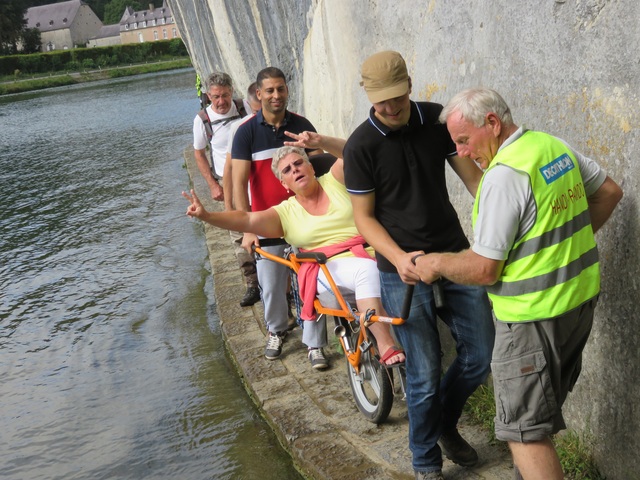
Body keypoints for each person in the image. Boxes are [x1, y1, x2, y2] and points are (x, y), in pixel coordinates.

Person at [414, 87, 623, 480]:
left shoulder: (504, 176)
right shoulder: (551, 146)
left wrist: (436, 263)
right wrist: (562, 248)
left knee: (525, 434)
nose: (461, 152)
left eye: (463, 140)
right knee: (536, 418)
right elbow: (608, 193)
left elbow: (484, 269)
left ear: (492, 124)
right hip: (576, 306)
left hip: (530, 320)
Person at [342, 51, 495, 480]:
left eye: (396, 96)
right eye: (380, 101)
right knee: (423, 376)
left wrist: (496, 230)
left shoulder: (436, 120)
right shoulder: (360, 146)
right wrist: (398, 259)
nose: (389, 107)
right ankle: (425, 462)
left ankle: (444, 424)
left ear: (410, 83)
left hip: (454, 255)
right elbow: (364, 219)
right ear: (367, 95)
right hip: (400, 273)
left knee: (480, 356)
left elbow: (473, 179)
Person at [183, 147, 405, 369]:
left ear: (310, 166)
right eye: (287, 170)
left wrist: (322, 140)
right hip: (326, 271)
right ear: (284, 184)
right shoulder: (285, 213)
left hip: (374, 256)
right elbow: (245, 219)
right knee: (366, 271)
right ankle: (386, 345)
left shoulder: (335, 181)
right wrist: (207, 216)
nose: (295, 170)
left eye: (299, 163)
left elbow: (355, 151)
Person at [231, 67, 323, 361]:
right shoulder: (246, 132)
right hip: (268, 221)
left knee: (313, 281)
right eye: (269, 90)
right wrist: (247, 228)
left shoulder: (301, 125)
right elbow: (238, 183)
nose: (276, 96)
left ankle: (315, 342)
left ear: (286, 91)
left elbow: (319, 168)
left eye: (280, 89)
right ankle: (277, 329)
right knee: (270, 284)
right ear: (258, 94)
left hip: (304, 216)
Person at [192, 72, 260, 308]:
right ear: (208, 96)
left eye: (225, 95)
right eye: (216, 97)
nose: (221, 102)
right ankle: (252, 284)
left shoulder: (244, 109)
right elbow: (199, 153)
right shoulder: (202, 120)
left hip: (254, 176)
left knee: (262, 226)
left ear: (232, 92)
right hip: (227, 181)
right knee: (237, 233)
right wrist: (212, 184)